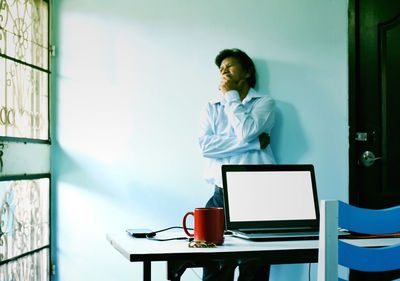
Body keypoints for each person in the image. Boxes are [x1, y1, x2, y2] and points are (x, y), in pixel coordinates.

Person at [198, 48, 276, 281]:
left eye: (229, 67)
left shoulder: (265, 103)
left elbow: (246, 130)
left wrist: (231, 96)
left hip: (257, 192)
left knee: (255, 266)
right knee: (215, 264)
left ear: (247, 72)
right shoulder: (211, 106)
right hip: (220, 194)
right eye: (220, 69)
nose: (223, 72)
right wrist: (253, 145)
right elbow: (205, 147)